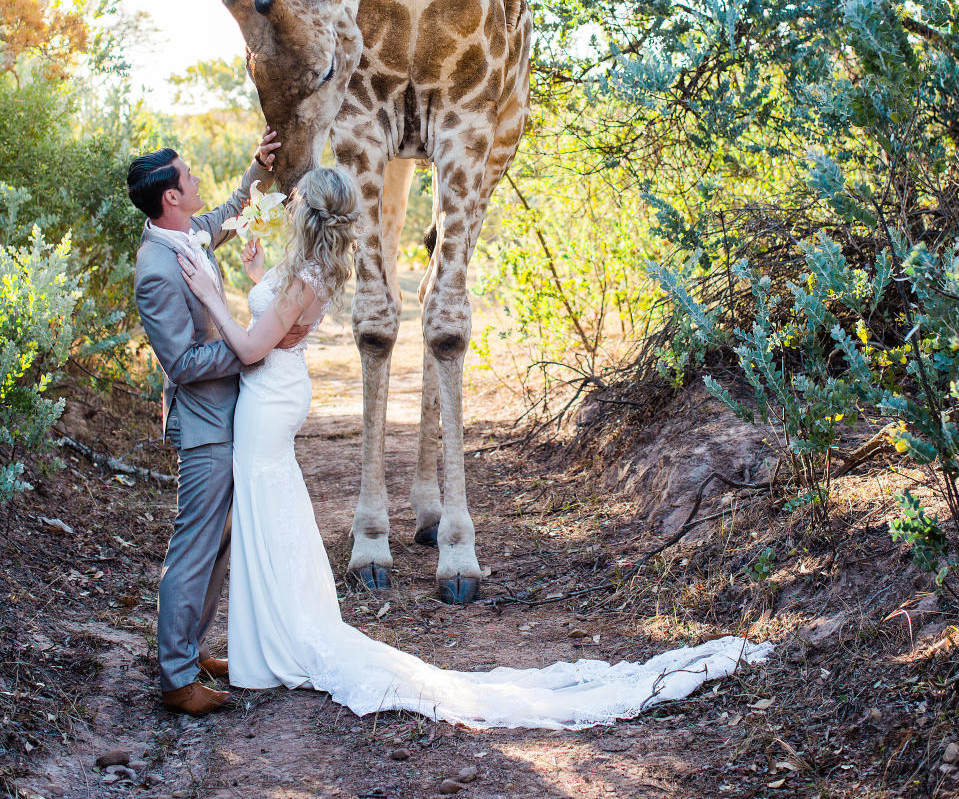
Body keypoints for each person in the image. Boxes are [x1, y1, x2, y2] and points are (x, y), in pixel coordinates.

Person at [177, 163, 771, 729]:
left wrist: (209, 295)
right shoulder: (309, 267)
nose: (289, 200)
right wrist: (256, 279)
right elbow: (276, 317)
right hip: (275, 393)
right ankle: (266, 642)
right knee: (269, 510)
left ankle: (275, 643)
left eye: (296, 195)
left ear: (307, 211)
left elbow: (255, 347)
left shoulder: (306, 274)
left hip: (269, 395)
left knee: (266, 505)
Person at [128, 127, 308, 717]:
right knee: (195, 546)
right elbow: (182, 363)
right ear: (171, 197)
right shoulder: (156, 267)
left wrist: (257, 169)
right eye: (188, 176)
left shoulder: (186, 234)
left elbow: (231, 215)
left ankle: (191, 650)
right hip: (204, 427)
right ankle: (177, 678)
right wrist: (255, 343)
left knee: (219, 542)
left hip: (227, 416)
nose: (197, 178)